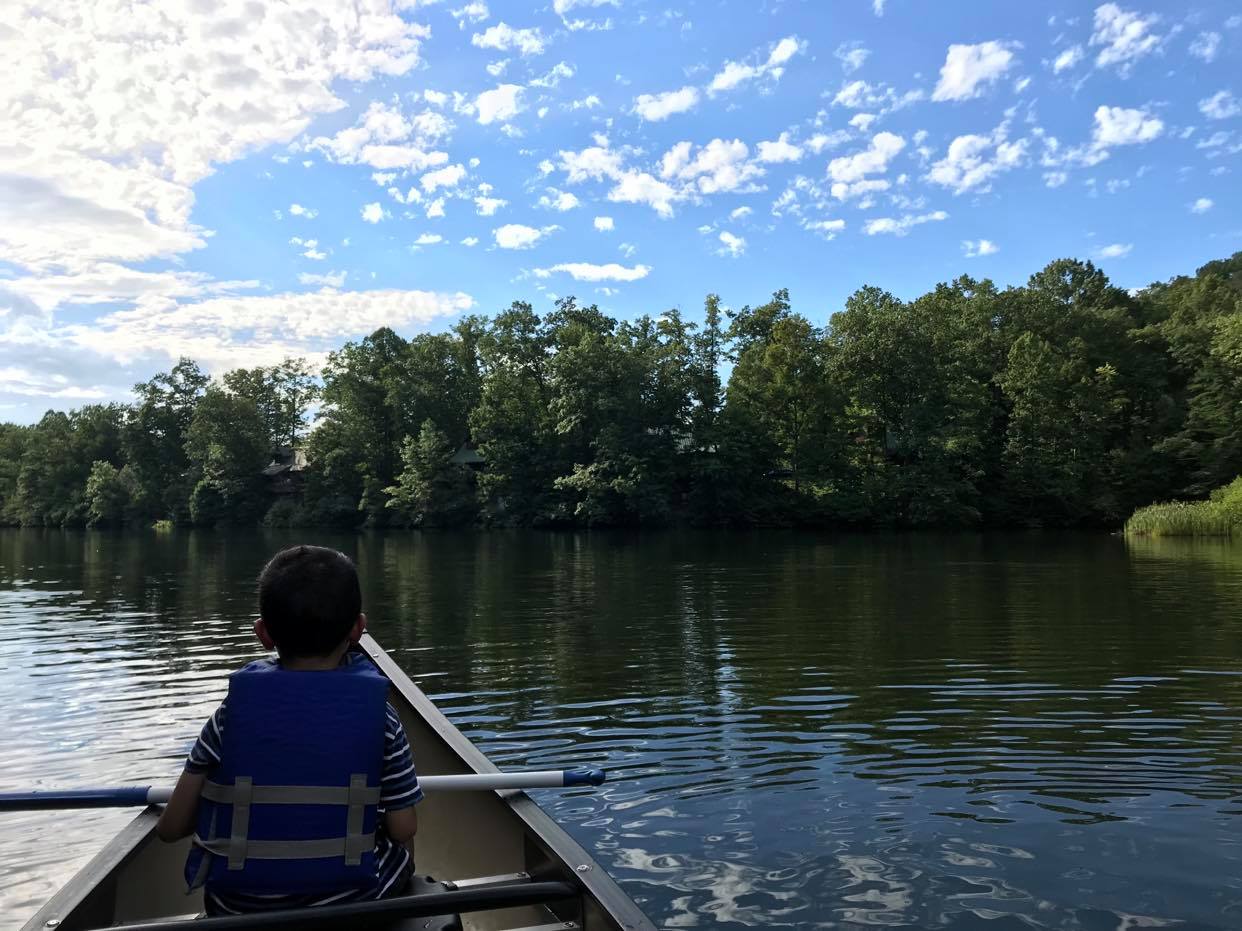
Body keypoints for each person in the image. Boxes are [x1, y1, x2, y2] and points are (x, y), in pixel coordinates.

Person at [156, 545, 422, 915]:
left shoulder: (229, 717)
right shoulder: (383, 719)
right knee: (403, 848)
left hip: (238, 912)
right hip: (350, 907)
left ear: (263, 633)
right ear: (358, 628)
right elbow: (403, 827)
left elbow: (171, 828)